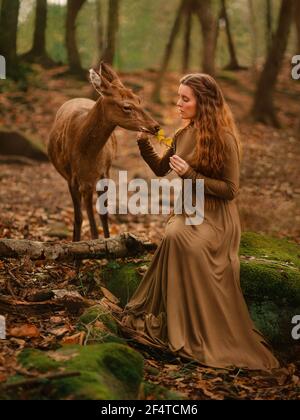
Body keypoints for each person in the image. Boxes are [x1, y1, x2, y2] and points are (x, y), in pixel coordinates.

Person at [119, 73, 280, 371]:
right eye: (178, 97)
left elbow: (231, 190)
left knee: (184, 241)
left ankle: (201, 329)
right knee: (174, 235)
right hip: (189, 209)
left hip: (218, 217)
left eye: (185, 99)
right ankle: (173, 320)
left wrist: (192, 175)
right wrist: (143, 143)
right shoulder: (182, 135)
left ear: (202, 103)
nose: (178, 104)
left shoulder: (225, 139)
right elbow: (159, 169)